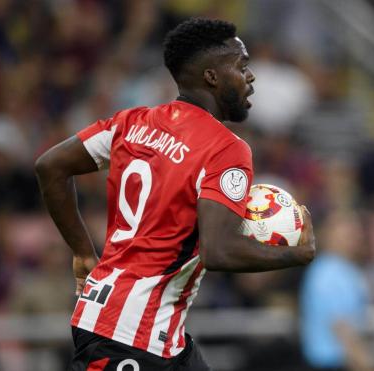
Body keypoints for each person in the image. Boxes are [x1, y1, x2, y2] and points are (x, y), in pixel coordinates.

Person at [35, 18, 316, 371]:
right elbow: (219, 251)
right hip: (127, 335)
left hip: (154, 333)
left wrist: (81, 252)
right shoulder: (225, 148)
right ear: (212, 77)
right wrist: (297, 253)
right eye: (242, 66)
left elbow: (50, 166)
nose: (251, 77)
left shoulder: (130, 122)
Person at [300, 211, 374, 371]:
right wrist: (365, 365)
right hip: (333, 363)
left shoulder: (346, 270)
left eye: (355, 231)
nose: (354, 235)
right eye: (345, 231)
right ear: (327, 235)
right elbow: (341, 327)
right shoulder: (328, 272)